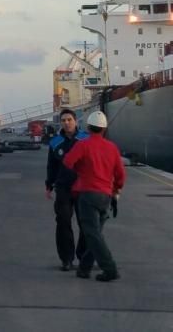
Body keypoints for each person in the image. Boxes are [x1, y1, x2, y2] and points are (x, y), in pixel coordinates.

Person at [63, 111, 126, 282]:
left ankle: (110, 269)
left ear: (88, 128)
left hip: (88, 195)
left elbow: (68, 161)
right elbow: (121, 175)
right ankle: (84, 268)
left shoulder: (83, 145)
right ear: (104, 129)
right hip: (106, 196)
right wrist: (116, 189)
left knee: (92, 234)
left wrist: (80, 171)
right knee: (95, 233)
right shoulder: (112, 148)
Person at [44, 108, 88, 271]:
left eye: (69, 120)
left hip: (83, 187)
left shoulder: (85, 139)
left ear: (76, 121)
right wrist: (49, 185)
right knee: (63, 222)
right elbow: (52, 165)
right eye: (63, 120)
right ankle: (66, 258)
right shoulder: (55, 142)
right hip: (63, 188)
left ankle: (83, 256)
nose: (66, 123)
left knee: (85, 224)